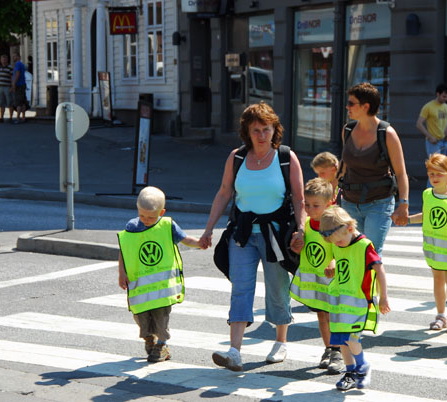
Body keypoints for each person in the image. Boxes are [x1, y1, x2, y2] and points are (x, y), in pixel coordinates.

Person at [199, 102, 306, 372]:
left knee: (277, 287)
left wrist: (301, 229)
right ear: (247, 131)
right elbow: (224, 192)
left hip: (276, 233)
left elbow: (299, 197)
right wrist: (209, 228)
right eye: (255, 130)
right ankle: (235, 351)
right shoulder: (237, 157)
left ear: (274, 130)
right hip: (242, 234)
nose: (261, 135)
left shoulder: (285, 157)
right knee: (241, 288)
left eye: (266, 129)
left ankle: (280, 340)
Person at [117, 186, 204, 363]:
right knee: (140, 314)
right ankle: (149, 337)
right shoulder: (132, 227)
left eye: (151, 217)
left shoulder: (168, 226)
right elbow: (124, 250)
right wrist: (122, 272)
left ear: (162, 212)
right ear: (137, 209)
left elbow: (185, 239)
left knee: (161, 315)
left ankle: (162, 344)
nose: (146, 220)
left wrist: (199, 243)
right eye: (142, 216)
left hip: (162, 286)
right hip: (139, 285)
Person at [319, 206, 390, 391]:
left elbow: (380, 270)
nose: (338, 245)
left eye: (340, 241)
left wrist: (383, 297)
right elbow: (337, 257)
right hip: (340, 301)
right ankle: (350, 372)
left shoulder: (364, 246)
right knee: (342, 341)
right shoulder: (340, 241)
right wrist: (332, 264)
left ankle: (362, 366)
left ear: (350, 228)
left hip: (359, 302)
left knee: (352, 339)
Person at [338, 82, 409, 257]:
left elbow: (401, 173)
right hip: (349, 202)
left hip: (378, 203)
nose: (347, 107)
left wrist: (403, 205)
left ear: (366, 106)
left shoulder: (387, 134)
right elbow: (344, 166)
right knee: (351, 254)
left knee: (370, 254)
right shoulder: (348, 130)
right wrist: (329, 192)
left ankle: (375, 285)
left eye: (351, 103)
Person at [289, 178, 343, 374]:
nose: (310, 209)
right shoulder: (307, 226)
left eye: (315, 205)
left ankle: (338, 351)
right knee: (322, 315)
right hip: (316, 280)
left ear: (329, 204)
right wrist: (297, 248)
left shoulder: (334, 224)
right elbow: (305, 251)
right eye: (307, 205)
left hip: (333, 281)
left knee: (334, 315)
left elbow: (344, 248)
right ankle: (328, 348)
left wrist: (334, 261)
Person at [407, 154, 447, 333]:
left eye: (439, 174)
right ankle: (440, 315)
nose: (434, 178)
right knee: (438, 279)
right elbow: (426, 216)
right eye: (431, 174)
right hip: (432, 247)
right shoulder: (427, 194)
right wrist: (407, 220)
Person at [417, 84, 447, 158]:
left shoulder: (446, 107)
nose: (445, 99)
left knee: (443, 166)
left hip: (445, 141)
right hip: (434, 141)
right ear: (437, 94)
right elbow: (419, 124)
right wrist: (430, 137)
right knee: (435, 167)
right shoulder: (428, 106)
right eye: (444, 96)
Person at [0, 54, 14, 123]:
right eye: (2, 59)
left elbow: (12, 77)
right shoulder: (0, 68)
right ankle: (1, 117)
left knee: (9, 102)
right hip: (0, 87)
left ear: (7, 60)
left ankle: (10, 117)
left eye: (4, 59)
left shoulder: (10, 68)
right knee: (1, 102)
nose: (3, 61)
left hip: (7, 87)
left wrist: (12, 86)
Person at [12, 52, 27, 124]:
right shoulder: (22, 64)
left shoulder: (17, 64)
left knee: (18, 102)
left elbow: (17, 74)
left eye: (14, 56)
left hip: (19, 85)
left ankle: (18, 118)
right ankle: (23, 117)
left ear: (18, 57)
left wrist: (14, 83)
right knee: (23, 101)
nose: (13, 58)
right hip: (23, 84)